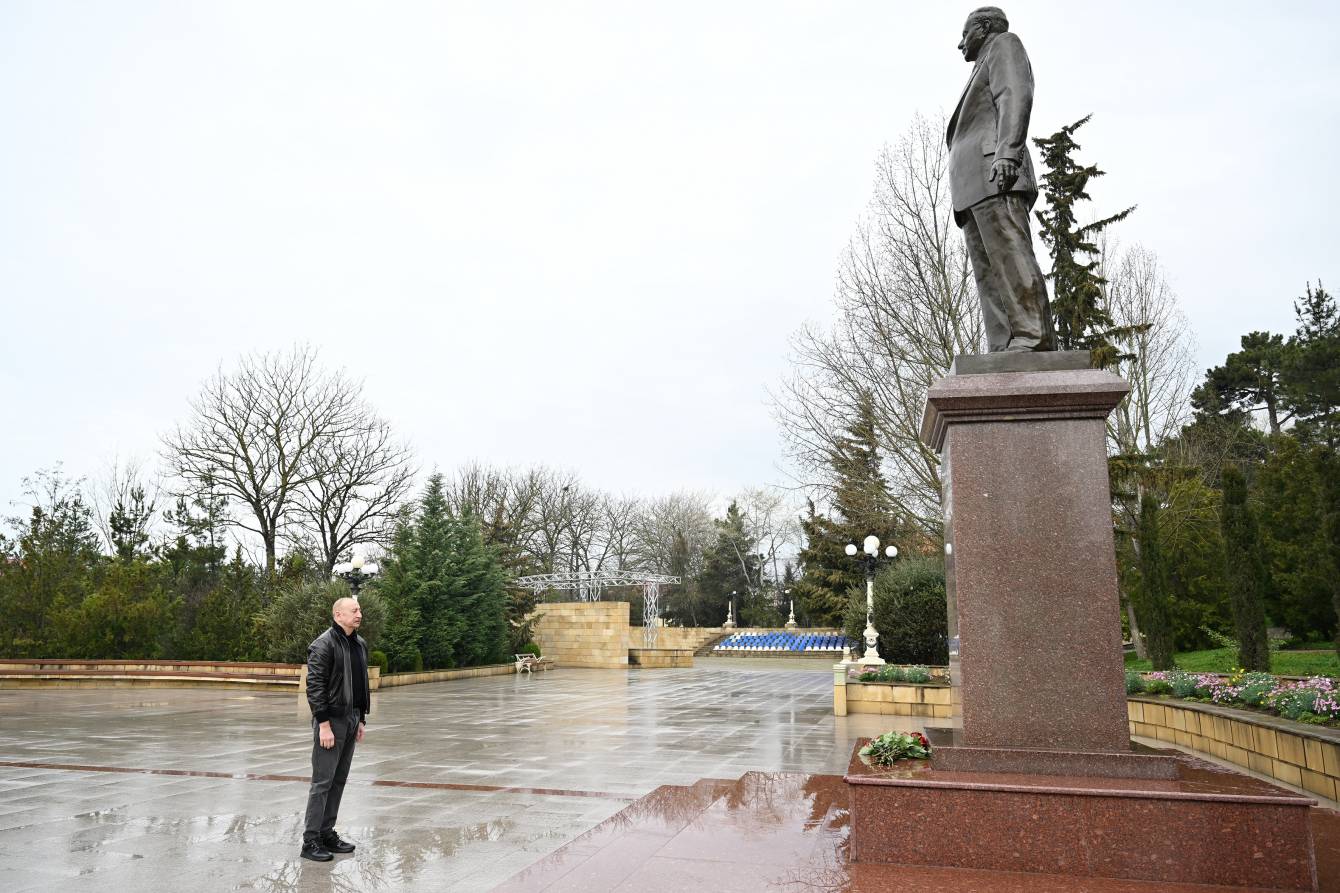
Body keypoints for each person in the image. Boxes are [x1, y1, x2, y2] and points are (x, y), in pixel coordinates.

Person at [947, 6, 1056, 353]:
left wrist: (1008, 152)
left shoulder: (1004, 45)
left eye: (965, 34)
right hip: (972, 186)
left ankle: (1033, 336)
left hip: (995, 171)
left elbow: (1014, 94)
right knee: (988, 273)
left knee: (1010, 257)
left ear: (983, 27)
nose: (960, 43)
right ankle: (1004, 344)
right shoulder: (981, 63)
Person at [300, 596, 370, 862]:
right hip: (331, 721)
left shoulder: (359, 644)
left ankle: (326, 833)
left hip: (352, 719)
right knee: (322, 782)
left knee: (338, 780)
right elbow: (315, 686)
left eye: (359, 610)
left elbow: (361, 685)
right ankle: (310, 841)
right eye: (353, 610)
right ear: (338, 615)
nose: (359, 614)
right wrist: (324, 725)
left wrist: (361, 719)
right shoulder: (323, 644)